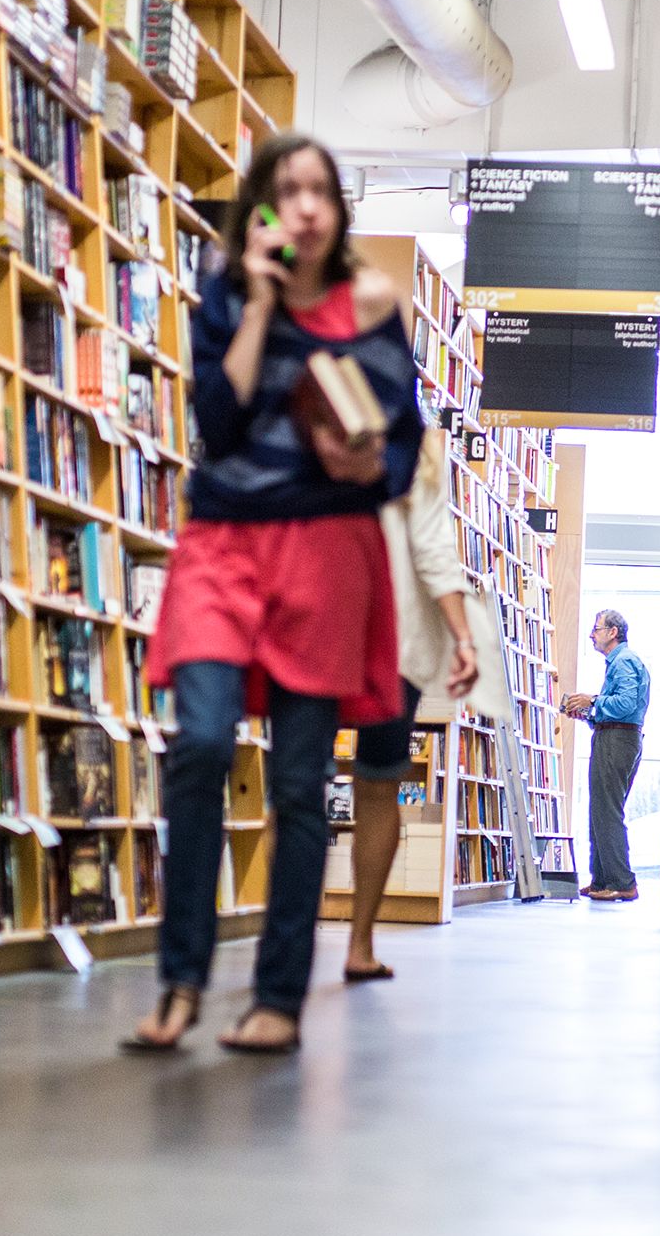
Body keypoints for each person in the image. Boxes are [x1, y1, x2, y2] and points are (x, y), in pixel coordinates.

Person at [124, 133, 422, 1058]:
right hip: (223, 541)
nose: (303, 206)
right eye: (285, 191)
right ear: (260, 208)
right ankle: (180, 981)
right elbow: (214, 420)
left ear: (338, 211)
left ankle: (278, 998)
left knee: (299, 780)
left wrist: (366, 457)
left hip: (326, 550)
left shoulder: (372, 305)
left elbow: (402, 442)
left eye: (319, 191)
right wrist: (256, 302)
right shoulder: (224, 296)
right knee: (201, 740)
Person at [340, 419, 485, 983]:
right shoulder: (418, 443)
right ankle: (359, 943)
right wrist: (464, 638)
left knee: (296, 786)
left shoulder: (301, 417)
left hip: (317, 629)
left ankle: (287, 940)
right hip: (392, 642)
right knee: (377, 786)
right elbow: (432, 547)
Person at [562, 610, 648, 900]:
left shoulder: (623, 661)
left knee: (608, 810)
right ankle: (601, 879)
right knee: (601, 809)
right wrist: (588, 712)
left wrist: (593, 700)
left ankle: (622, 881)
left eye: (596, 629)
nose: (591, 634)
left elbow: (626, 703)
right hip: (614, 735)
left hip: (618, 739)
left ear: (613, 632)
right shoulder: (620, 662)